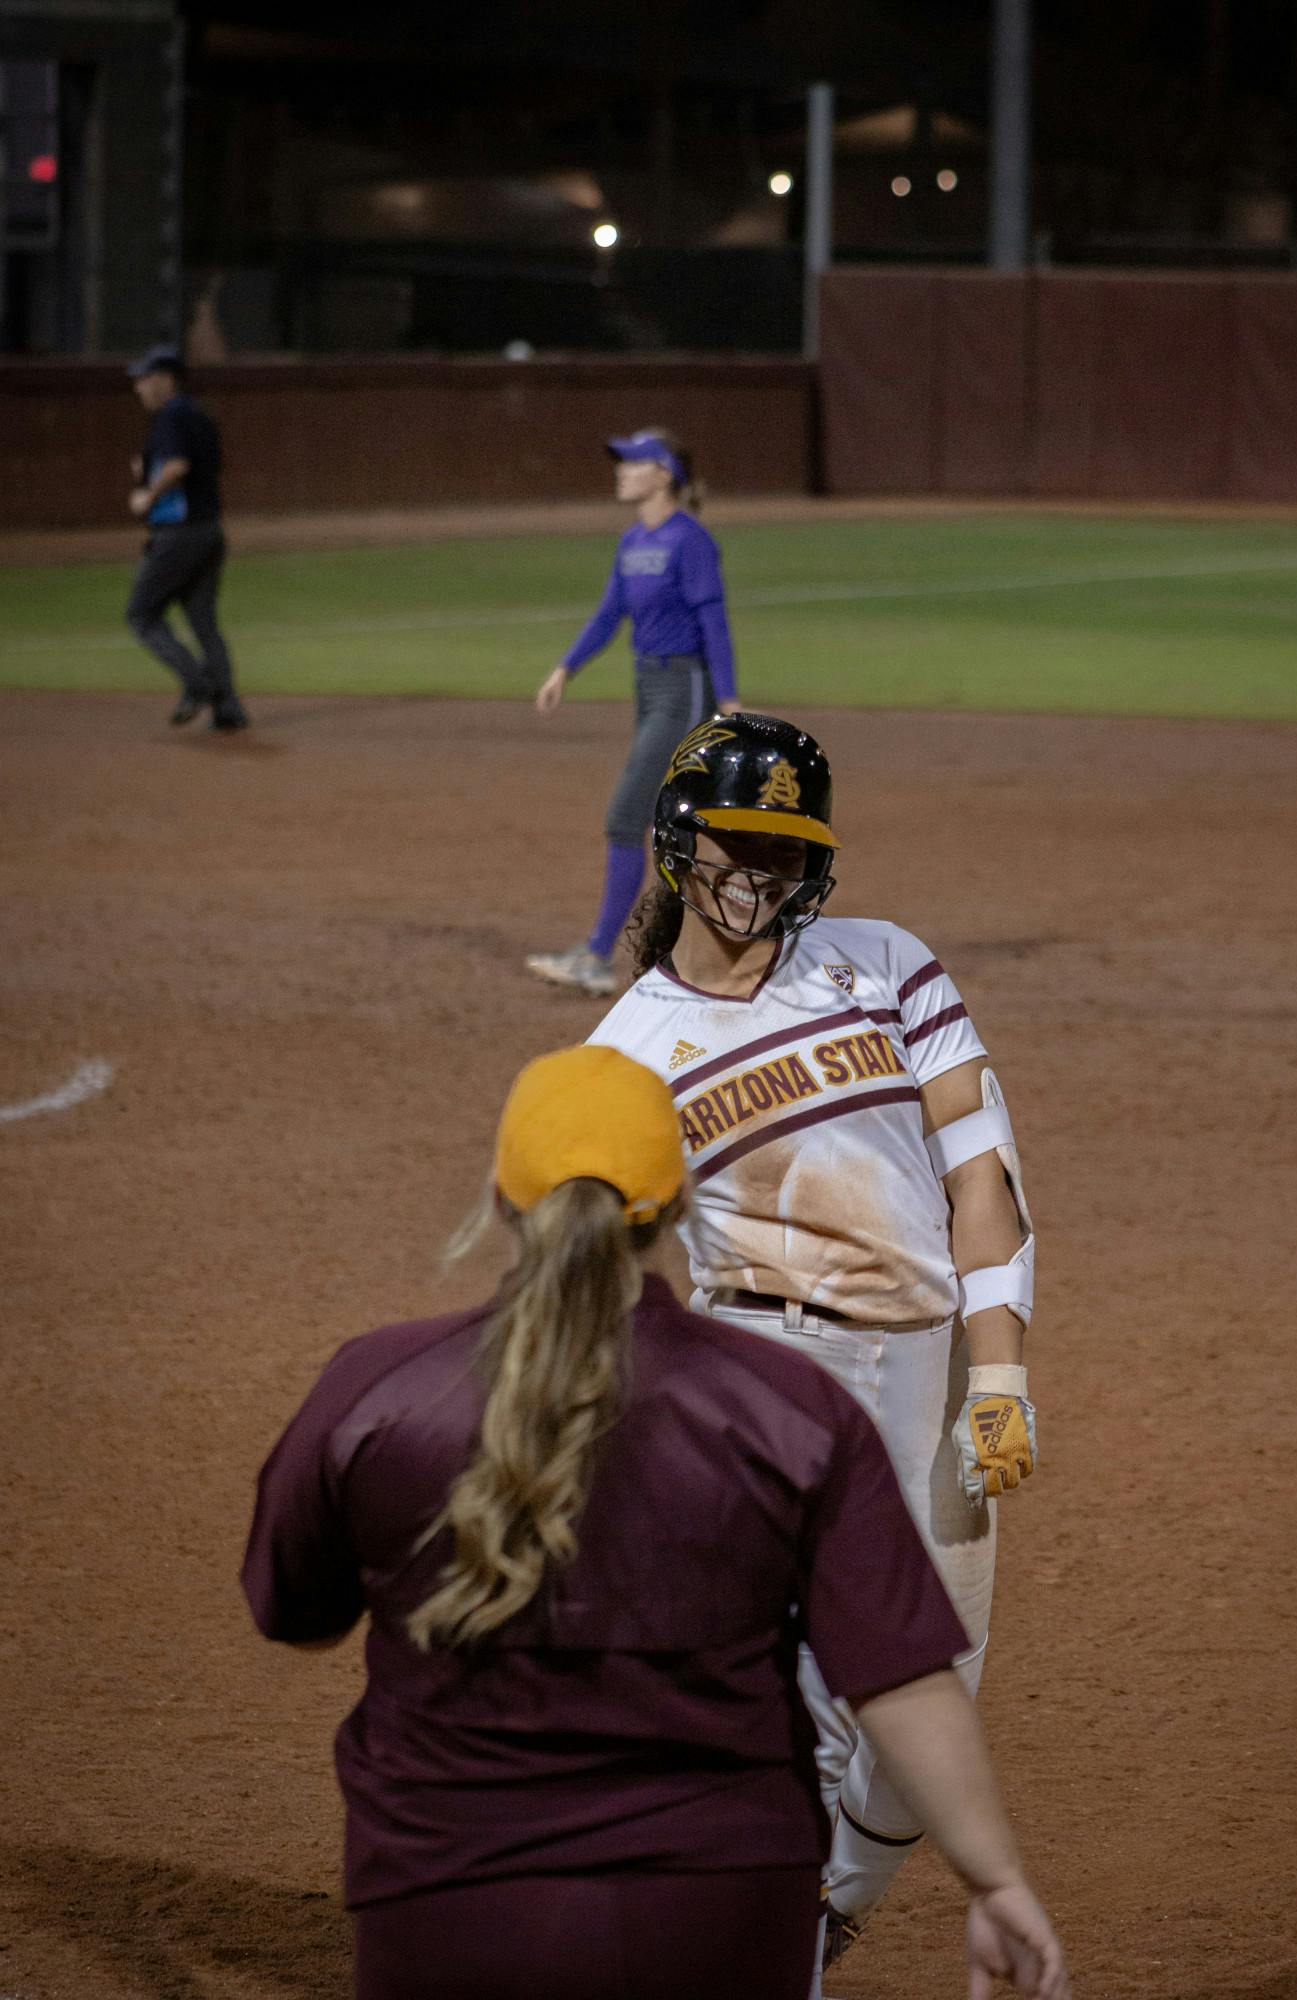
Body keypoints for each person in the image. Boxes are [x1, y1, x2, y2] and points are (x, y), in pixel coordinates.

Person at [242, 1045, 1066, 2000]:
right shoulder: (784, 1409)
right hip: (719, 1916)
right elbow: (902, 1681)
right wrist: (994, 1879)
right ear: (680, 1205)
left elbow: (292, 1609)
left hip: (450, 1909)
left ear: (503, 1197)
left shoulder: (378, 1392)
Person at [587, 711, 1041, 1982]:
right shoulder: (624, 1051)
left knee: (926, 1695)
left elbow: (981, 1171)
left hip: (932, 1374)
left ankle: (822, 1915)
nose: (757, 871)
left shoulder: (886, 962)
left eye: (784, 848)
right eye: (735, 839)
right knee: (804, 1717)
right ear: (678, 839)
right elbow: (592, 1272)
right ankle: (769, 1945)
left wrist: (997, 1368)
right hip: (768, 1384)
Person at [525, 427, 738, 999]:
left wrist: (732, 703)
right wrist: (565, 668)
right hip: (648, 686)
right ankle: (724, 945)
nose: (620, 470)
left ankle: (597, 958)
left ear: (663, 473)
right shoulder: (631, 542)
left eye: (632, 462)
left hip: (685, 688)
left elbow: (713, 622)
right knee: (685, 824)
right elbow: (608, 615)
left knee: (627, 817)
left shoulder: (690, 541)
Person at [125, 344, 249, 732]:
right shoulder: (200, 416)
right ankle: (228, 708)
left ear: (165, 380)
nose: (139, 388)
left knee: (142, 615)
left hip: (178, 534)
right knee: (203, 623)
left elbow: (178, 465)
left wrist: (148, 494)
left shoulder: (170, 417)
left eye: (145, 379)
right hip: (210, 530)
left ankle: (198, 684)